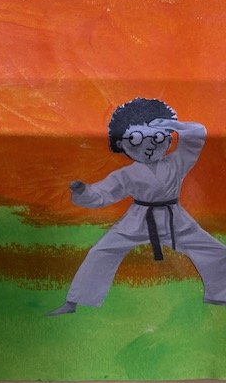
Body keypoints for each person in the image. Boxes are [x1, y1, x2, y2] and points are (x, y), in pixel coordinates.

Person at [49, 97, 226, 315]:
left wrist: (171, 125)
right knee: (102, 251)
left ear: (168, 138)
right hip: (138, 221)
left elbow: (196, 135)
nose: (149, 146)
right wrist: (82, 192)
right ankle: (73, 302)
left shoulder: (176, 163)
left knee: (215, 251)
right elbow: (102, 194)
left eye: (158, 137)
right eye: (135, 139)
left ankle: (221, 295)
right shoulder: (127, 174)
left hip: (175, 221)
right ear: (121, 143)